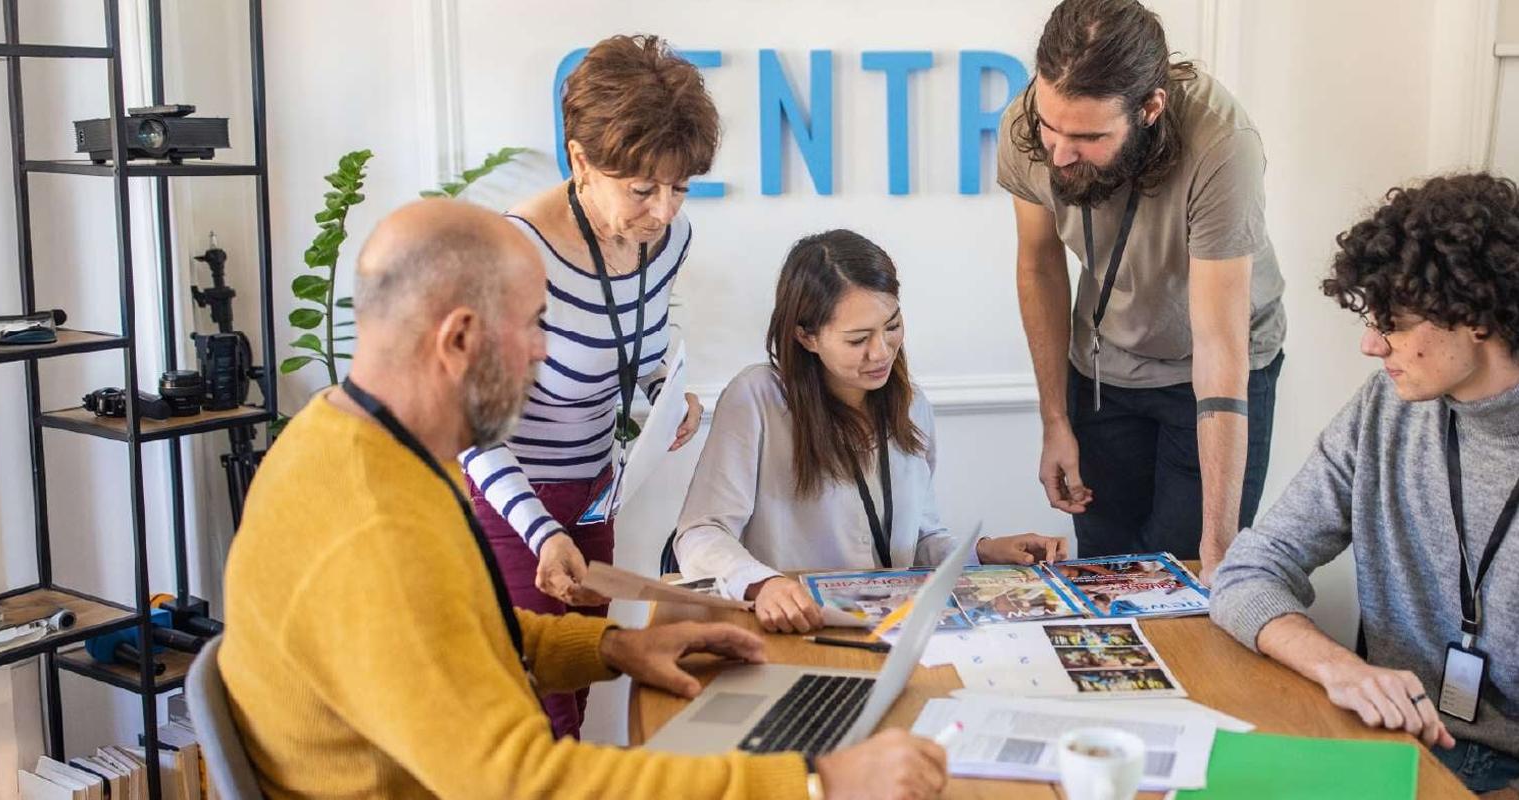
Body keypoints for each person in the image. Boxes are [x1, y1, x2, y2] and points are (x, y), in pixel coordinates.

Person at [221, 199, 949, 799]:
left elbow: (473, 633)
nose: (545, 352)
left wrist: (612, 645)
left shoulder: (358, 449)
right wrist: (815, 783)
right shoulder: (375, 525)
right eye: (536, 324)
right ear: (461, 338)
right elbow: (522, 783)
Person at [1210, 174, 1519, 798]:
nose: (1369, 343)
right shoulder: (1387, 411)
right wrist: (1343, 669)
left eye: (1391, 320)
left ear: (1472, 316)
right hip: (1398, 746)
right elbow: (1247, 572)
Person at [457, 33, 713, 737]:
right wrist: (541, 532)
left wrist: (664, 391)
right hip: (513, 509)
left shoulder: (668, 239)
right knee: (535, 722)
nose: (663, 210)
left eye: (679, 186)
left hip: (598, 499)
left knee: (585, 690)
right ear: (580, 161)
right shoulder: (517, 254)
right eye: (642, 189)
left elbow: (628, 346)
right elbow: (476, 433)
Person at [1000, 0, 1286, 573]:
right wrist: (1054, 421)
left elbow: (1219, 345)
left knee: (1184, 569)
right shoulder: (1029, 124)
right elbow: (1040, 266)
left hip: (1210, 370)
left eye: (1086, 136)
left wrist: (1221, 541)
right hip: (1104, 366)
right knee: (1108, 570)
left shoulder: (1222, 144)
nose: (1057, 152)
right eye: (1049, 124)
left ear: (1150, 108)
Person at [674, 230, 1069, 633]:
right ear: (806, 336)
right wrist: (763, 584)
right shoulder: (757, 398)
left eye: (892, 326)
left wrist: (983, 554)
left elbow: (918, 540)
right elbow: (700, 534)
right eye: (858, 339)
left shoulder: (912, 404)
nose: (881, 352)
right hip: (794, 630)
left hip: (892, 630)